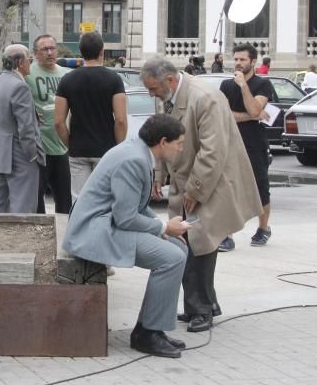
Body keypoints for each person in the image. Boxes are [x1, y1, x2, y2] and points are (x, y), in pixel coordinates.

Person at [139, 57, 262, 333]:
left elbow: (212, 151)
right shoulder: (169, 93)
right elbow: (162, 136)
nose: (151, 94)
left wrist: (195, 189)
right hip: (185, 180)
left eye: (153, 89)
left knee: (199, 245)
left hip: (210, 181)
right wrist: (158, 175)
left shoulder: (205, 98)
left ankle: (201, 309)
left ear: (169, 80)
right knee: (182, 241)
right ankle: (203, 303)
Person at [63, 114, 190, 358]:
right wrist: (163, 228)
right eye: (179, 143)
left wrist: (164, 227)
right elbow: (126, 218)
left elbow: (136, 207)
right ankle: (147, 334)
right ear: (163, 141)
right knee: (172, 257)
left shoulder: (137, 150)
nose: (181, 148)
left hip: (105, 225)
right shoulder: (134, 160)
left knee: (178, 248)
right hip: (94, 231)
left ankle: (151, 328)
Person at [54, 31, 127, 198]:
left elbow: (58, 121)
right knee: (104, 200)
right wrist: (119, 147)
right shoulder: (114, 79)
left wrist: (70, 143)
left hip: (78, 149)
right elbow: (121, 120)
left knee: (79, 201)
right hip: (106, 150)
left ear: (81, 52)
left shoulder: (67, 80)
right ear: (102, 51)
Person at [219, 43, 275, 250]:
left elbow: (254, 108)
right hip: (231, 141)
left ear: (253, 62)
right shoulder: (225, 85)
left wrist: (243, 86)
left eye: (242, 60)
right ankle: (228, 234)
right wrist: (250, 116)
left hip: (255, 144)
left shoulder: (262, 85)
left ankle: (263, 228)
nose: (238, 64)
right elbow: (224, 114)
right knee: (229, 187)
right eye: (236, 59)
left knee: (260, 188)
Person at [0, 44, 44, 214]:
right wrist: (32, 154)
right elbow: (25, 127)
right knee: (24, 205)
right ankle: (22, 240)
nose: (31, 63)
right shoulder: (20, 86)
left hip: (0, 149)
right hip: (20, 152)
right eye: (29, 59)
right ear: (20, 62)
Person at [27, 34, 72, 214]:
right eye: (44, 49)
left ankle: (64, 236)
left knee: (65, 199)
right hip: (39, 147)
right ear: (35, 53)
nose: (50, 52)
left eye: (52, 48)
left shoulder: (66, 75)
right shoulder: (27, 74)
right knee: (37, 198)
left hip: (63, 145)